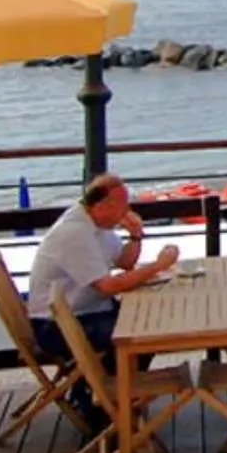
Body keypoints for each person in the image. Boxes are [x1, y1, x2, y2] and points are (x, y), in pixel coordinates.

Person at [27, 173, 181, 427]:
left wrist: (136, 236)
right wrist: (158, 266)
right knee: (138, 336)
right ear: (100, 206)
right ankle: (107, 400)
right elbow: (108, 285)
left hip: (89, 310)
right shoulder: (75, 233)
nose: (126, 211)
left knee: (150, 325)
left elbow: (124, 261)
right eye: (122, 206)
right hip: (57, 326)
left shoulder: (98, 226)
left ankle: (116, 390)